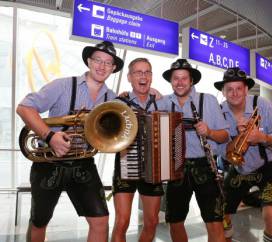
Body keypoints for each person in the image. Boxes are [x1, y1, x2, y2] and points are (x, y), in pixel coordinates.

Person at [16, 40, 124, 242]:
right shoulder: (63, 85)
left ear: (114, 68)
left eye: (108, 63)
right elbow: (24, 107)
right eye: (98, 60)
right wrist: (50, 136)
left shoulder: (112, 99)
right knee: (40, 221)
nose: (102, 66)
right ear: (89, 62)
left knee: (101, 220)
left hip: (83, 163)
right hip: (48, 162)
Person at [214, 67, 272, 242]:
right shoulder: (219, 111)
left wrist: (262, 137)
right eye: (229, 89)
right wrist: (239, 138)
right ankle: (228, 233)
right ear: (223, 92)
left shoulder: (262, 104)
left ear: (246, 89)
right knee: (220, 212)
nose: (234, 93)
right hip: (240, 169)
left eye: (239, 88)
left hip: (267, 167)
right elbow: (218, 149)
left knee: (270, 213)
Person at [158, 58, 229, 242]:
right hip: (176, 168)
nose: (180, 82)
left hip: (205, 165)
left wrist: (210, 131)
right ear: (171, 81)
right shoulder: (162, 102)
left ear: (191, 81)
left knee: (214, 221)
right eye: (176, 78)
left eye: (184, 78)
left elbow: (225, 136)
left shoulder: (209, 100)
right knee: (175, 221)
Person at [111, 57, 164, 242]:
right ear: (129, 77)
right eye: (138, 72)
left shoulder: (160, 102)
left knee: (152, 221)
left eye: (147, 72)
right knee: (122, 222)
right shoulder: (119, 103)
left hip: (153, 168)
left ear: (151, 76)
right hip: (126, 165)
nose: (143, 76)